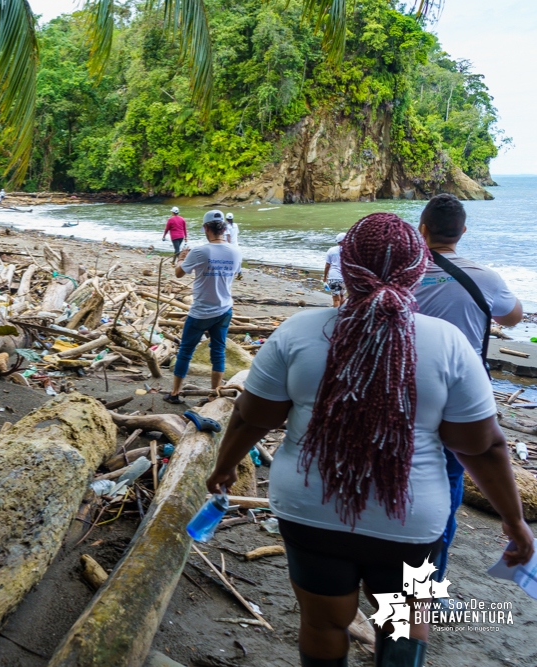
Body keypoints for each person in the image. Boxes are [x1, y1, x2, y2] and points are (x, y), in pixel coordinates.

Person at [205, 213, 533, 667]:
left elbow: (251, 418)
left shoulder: (298, 331)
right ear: (418, 268)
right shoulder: (448, 342)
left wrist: (223, 468)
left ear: (346, 266)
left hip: (308, 509)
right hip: (412, 519)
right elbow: (482, 446)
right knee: (402, 624)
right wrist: (514, 520)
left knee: (322, 623)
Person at [414, 194, 525, 585]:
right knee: (448, 484)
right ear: (462, 231)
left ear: (421, 228)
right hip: (462, 396)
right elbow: (513, 318)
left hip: (403, 391)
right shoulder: (486, 277)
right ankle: (426, 587)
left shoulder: (400, 275)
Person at [164, 211, 242, 403]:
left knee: (185, 351)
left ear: (206, 228)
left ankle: (175, 393)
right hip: (224, 308)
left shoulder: (201, 251)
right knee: (218, 351)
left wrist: (182, 257)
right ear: (224, 228)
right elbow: (235, 273)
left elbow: (179, 273)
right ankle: (213, 394)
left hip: (201, 310)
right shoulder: (235, 251)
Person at [323, 232, 346, 307]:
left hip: (333, 277)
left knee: (336, 299)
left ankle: (336, 316)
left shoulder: (331, 250)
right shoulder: (348, 251)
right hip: (344, 278)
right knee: (342, 296)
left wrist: (325, 277)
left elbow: (327, 265)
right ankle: (342, 314)